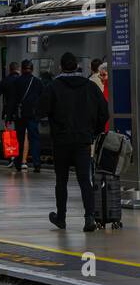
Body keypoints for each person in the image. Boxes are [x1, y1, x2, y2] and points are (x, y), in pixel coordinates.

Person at [40, 52, 109, 231]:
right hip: (82, 140)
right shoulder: (89, 86)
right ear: (77, 66)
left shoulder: (53, 86)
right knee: (85, 180)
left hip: (61, 141)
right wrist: (94, 131)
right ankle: (89, 218)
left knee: (61, 180)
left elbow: (40, 110)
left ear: (61, 67)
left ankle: (61, 217)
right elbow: (104, 112)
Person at [0, 62, 23, 166]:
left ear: (10, 69)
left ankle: (12, 157)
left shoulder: (5, 81)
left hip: (8, 112)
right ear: (18, 69)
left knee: (10, 135)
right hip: (21, 112)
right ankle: (22, 159)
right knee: (21, 135)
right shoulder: (22, 80)